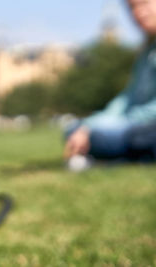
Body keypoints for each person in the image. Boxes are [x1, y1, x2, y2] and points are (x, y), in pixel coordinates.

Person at [64, 0, 156, 169]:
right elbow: (128, 98)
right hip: (137, 125)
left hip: (145, 127)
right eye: (132, 7)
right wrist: (89, 125)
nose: (138, 13)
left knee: (110, 136)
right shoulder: (146, 52)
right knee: (74, 129)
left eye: (144, 4)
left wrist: (120, 123)